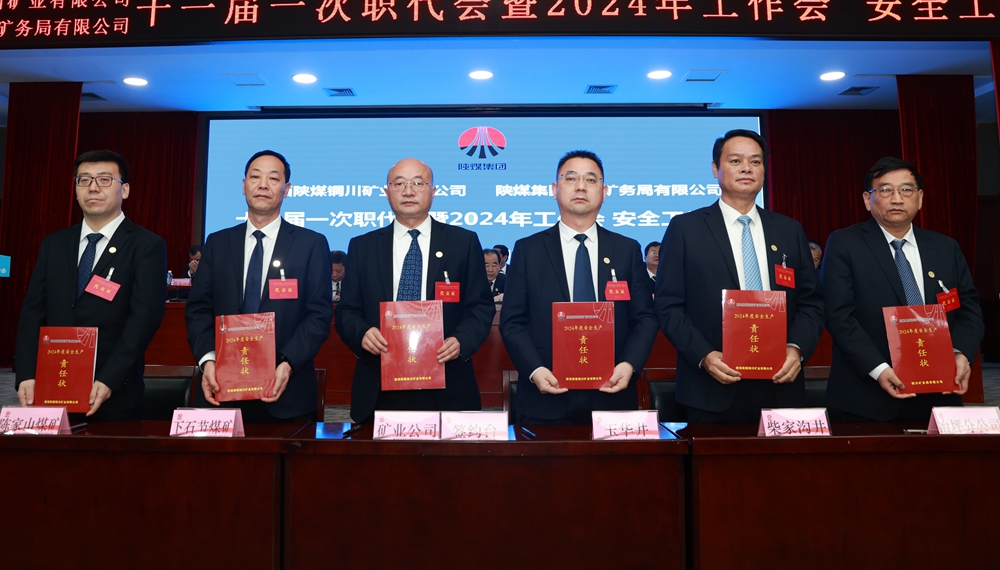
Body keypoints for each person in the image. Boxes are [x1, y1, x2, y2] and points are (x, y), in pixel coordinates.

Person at [654, 130, 825, 423]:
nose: (747, 168)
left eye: (755, 162)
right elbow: (668, 305)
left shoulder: (788, 230)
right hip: (711, 386)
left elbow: (812, 302)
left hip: (780, 384)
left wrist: (796, 349)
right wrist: (704, 355)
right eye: (735, 161)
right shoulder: (686, 228)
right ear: (715, 169)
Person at [499, 150, 658, 424]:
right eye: (571, 178)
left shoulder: (626, 249)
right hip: (545, 397)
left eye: (591, 179)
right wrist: (535, 370)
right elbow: (512, 322)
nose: (581, 186)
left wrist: (629, 365)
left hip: (612, 393)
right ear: (555, 189)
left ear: (604, 192)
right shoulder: (528, 249)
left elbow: (644, 317)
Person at [822, 156, 984, 422]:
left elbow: (968, 309)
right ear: (867, 199)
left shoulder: (945, 247)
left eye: (906, 190)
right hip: (868, 398)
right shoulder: (845, 244)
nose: (897, 199)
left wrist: (960, 353)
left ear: (920, 198)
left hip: (940, 391)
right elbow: (838, 315)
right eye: (886, 190)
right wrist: (878, 369)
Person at [335, 158, 495, 424]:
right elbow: (346, 311)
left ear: (433, 191)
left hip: (447, 381)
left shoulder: (463, 242)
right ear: (387, 192)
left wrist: (461, 341)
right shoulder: (363, 246)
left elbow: (480, 306)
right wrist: (362, 333)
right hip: (379, 384)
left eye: (418, 183)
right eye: (399, 184)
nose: (408, 191)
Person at [15, 150, 168, 419]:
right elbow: (33, 312)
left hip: (112, 393)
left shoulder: (146, 245)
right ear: (76, 190)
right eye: (84, 180)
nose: (93, 188)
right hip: (52, 385)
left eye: (105, 180)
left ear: (125, 190)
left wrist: (110, 379)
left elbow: (143, 320)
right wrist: (26, 373)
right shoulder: (54, 244)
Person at [185, 150, 332, 422]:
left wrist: (287, 363)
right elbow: (198, 309)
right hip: (221, 387)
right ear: (244, 186)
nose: (263, 185)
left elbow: (319, 315)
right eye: (255, 177)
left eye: (273, 178)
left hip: (287, 393)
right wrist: (208, 359)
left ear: (287, 189)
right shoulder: (218, 243)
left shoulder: (310, 244)